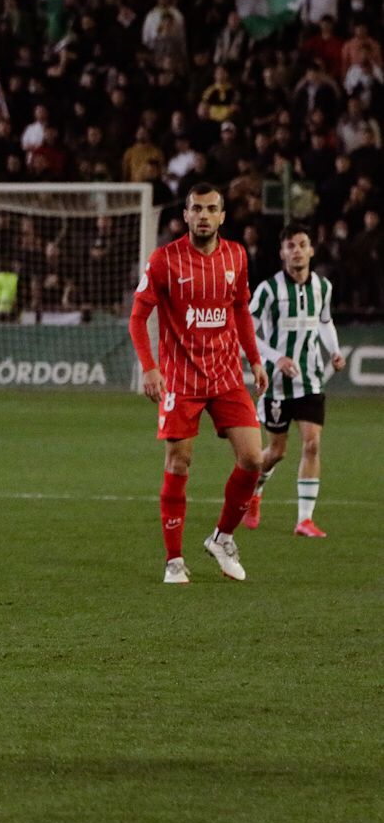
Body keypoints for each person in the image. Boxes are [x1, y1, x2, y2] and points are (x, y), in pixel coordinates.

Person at [128, 184, 269, 584]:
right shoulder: (164, 260)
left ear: (222, 216)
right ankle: (174, 561)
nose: (204, 215)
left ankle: (222, 537)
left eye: (211, 209)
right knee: (179, 462)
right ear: (185, 215)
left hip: (226, 375)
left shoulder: (236, 256)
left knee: (253, 460)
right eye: (197, 209)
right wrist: (150, 368)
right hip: (181, 378)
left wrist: (254, 360)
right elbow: (138, 318)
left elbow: (240, 309)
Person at [243, 225, 346, 537]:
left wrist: (335, 352)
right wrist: (276, 358)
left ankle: (304, 519)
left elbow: (325, 322)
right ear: (282, 253)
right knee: (276, 451)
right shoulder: (269, 290)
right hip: (276, 384)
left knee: (312, 444)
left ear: (312, 250)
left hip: (311, 380)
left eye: (302, 244)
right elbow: (245, 331)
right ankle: (254, 492)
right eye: (291, 245)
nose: (297, 250)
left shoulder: (323, 287)